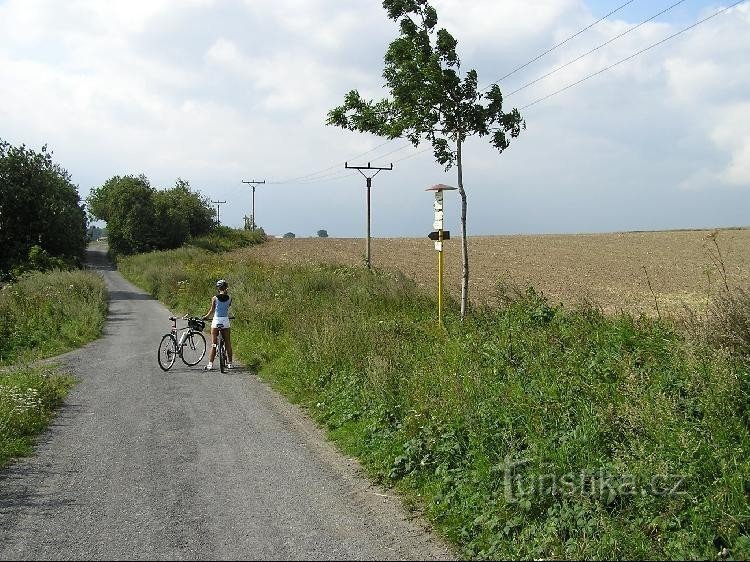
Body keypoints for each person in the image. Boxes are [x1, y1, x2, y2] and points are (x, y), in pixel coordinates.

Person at [202, 278, 233, 370]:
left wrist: (206, 317)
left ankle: (210, 364)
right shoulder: (230, 298)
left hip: (216, 321)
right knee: (228, 342)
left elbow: (212, 310)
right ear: (226, 287)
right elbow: (227, 307)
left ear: (218, 288)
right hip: (225, 321)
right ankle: (230, 363)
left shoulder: (214, 298)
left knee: (214, 344)